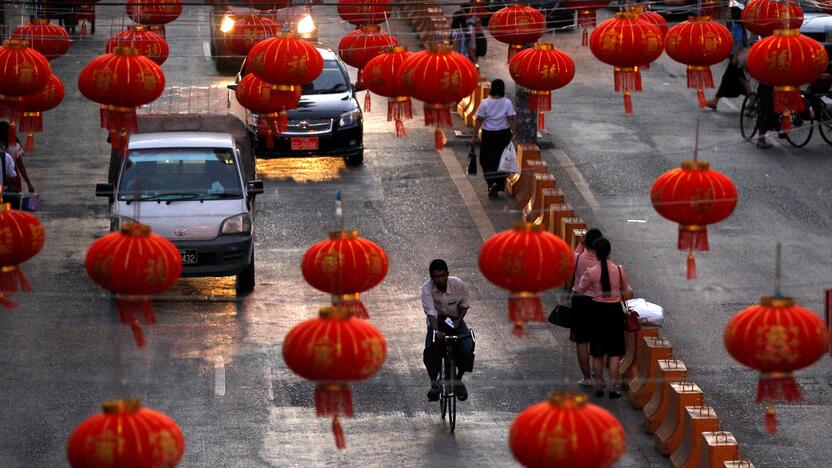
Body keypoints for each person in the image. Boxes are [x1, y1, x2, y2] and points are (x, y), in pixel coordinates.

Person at [574, 238, 630, 399]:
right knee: (614, 353)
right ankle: (613, 388)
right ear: (610, 252)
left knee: (597, 352)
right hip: (615, 312)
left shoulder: (591, 272)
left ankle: (599, 385)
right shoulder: (619, 270)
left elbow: (580, 289)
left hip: (597, 312)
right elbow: (625, 290)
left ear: (596, 254)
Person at [421, 259, 475, 402]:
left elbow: (465, 303)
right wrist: (436, 331)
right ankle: (435, 384)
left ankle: (458, 380)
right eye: (436, 277)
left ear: (447, 274)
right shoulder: (426, 288)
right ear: (431, 277)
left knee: (467, 346)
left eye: (442, 275)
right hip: (437, 321)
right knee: (431, 348)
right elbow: (430, 311)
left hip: (453, 320)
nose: (439, 279)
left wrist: (458, 320)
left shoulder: (457, 284)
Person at [569, 227, 604, 387]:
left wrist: (580, 244)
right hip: (598, 303)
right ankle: (600, 378)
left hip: (580, 302)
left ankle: (587, 378)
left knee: (581, 340)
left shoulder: (577, 258)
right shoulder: (603, 262)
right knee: (598, 339)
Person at [472, 79, 517, 198]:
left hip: (488, 135)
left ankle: (491, 182)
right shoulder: (507, 102)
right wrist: (514, 133)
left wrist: (474, 135)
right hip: (503, 135)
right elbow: (511, 119)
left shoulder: (485, 103)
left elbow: (479, 120)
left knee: (486, 160)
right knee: (501, 160)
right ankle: (498, 184)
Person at [704, 6, 752, 110]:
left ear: (734, 14)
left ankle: (715, 101)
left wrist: (735, 57)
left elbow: (739, 42)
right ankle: (752, 99)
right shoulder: (733, 25)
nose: (727, 13)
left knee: (728, 78)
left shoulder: (737, 26)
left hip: (736, 57)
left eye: (729, 12)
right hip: (734, 56)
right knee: (740, 78)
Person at [0, 122, 36, 199]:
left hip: (2, 182)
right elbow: (21, 166)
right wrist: (28, 183)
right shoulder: (15, 145)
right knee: (13, 209)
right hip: (14, 182)